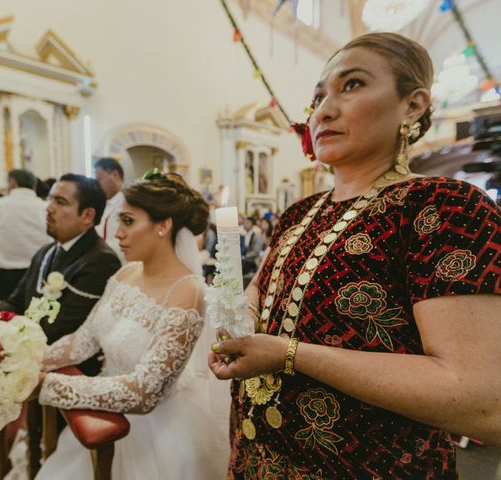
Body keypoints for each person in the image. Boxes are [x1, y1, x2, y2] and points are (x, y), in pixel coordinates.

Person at [209, 32, 501, 478]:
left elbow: (481, 402)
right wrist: (238, 318)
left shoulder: (445, 207)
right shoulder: (298, 214)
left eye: (353, 85)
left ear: (413, 105)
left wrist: (290, 354)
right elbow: (261, 296)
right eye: (318, 95)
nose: (323, 110)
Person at [35, 172, 230, 479]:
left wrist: (48, 384)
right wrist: (27, 362)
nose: (117, 235)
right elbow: (83, 340)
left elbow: (145, 392)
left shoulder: (188, 291)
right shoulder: (127, 274)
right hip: (102, 407)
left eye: (128, 221)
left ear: (163, 226)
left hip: (154, 434)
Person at [0, 174, 121, 368]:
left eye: (60, 202)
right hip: (31, 354)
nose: (49, 208)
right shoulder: (45, 252)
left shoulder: (100, 262)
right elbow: (15, 303)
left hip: (68, 370)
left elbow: (59, 331)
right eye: (50, 199)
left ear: (87, 216)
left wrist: (2, 339)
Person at [0, 169, 52, 300]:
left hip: (7, 271)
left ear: (12, 183)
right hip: (39, 270)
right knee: (37, 310)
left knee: (8, 313)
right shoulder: (45, 207)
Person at [94, 157, 125, 260]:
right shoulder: (104, 204)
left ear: (115, 175)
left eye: (99, 180)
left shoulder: (126, 204)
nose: (97, 186)